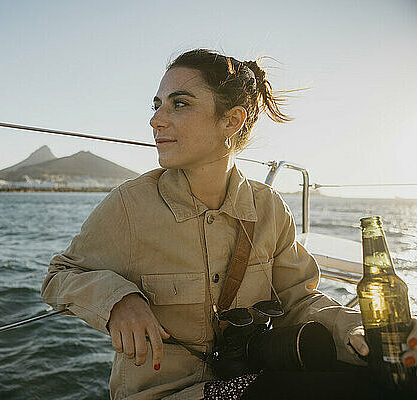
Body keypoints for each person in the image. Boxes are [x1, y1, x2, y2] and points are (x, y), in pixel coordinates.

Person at [40, 49, 417, 400]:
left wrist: (354, 329)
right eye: (156, 105)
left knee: (391, 377)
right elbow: (59, 275)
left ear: (232, 120)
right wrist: (118, 300)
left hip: (255, 376)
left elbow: (299, 299)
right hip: (170, 394)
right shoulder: (130, 205)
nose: (155, 119)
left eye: (179, 104)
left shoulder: (267, 207)